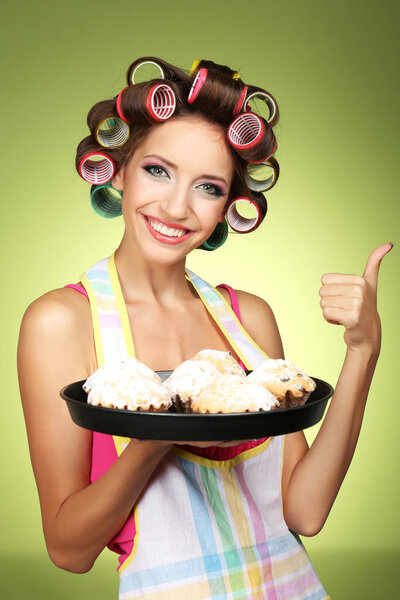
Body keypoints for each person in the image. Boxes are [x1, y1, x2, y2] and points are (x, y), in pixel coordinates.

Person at [17, 56, 392, 600]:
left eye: (208, 187)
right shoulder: (59, 323)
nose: (176, 206)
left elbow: (305, 513)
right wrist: (155, 441)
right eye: (157, 170)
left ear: (229, 207)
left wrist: (363, 351)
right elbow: (68, 551)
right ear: (118, 170)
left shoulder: (249, 319)